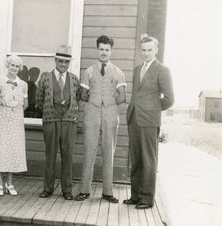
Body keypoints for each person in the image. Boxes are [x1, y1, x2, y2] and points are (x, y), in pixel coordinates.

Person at [124, 34, 174, 209]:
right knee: (136, 159)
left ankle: (147, 199)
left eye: (149, 50)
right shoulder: (138, 69)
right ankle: (135, 196)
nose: (146, 53)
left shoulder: (162, 70)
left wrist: (152, 109)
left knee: (148, 159)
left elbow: (169, 99)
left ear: (156, 50)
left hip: (149, 120)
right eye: (143, 50)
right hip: (134, 119)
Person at [75, 35, 126, 203]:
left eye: (107, 50)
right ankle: (84, 190)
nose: (104, 53)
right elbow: (82, 94)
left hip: (110, 114)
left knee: (108, 152)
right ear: (97, 50)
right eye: (101, 49)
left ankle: (107, 192)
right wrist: (95, 102)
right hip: (92, 113)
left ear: (111, 51)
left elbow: (122, 97)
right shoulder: (89, 71)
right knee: (89, 150)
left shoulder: (118, 72)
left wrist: (108, 104)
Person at [36, 45, 80, 200]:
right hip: (51, 119)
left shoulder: (74, 79)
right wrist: (50, 112)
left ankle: (67, 190)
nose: (63, 65)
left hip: (69, 121)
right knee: (51, 155)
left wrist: (68, 113)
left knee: (68, 156)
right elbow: (39, 100)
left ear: (69, 64)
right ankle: (47, 188)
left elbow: (77, 99)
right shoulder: (45, 77)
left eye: (66, 62)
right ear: (55, 60)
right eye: (60, 61)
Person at [0, 55, 29, 196]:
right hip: (2, 119)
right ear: (8, 65)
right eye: (12, 65)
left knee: (13, 149)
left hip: (16, 120)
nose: (14, 68)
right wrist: (1, 112)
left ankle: (10, 183)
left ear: (20, 68)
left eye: (17, 66)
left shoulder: (23, 84)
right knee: (2, 148)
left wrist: (15, 112)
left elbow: (26, 104)